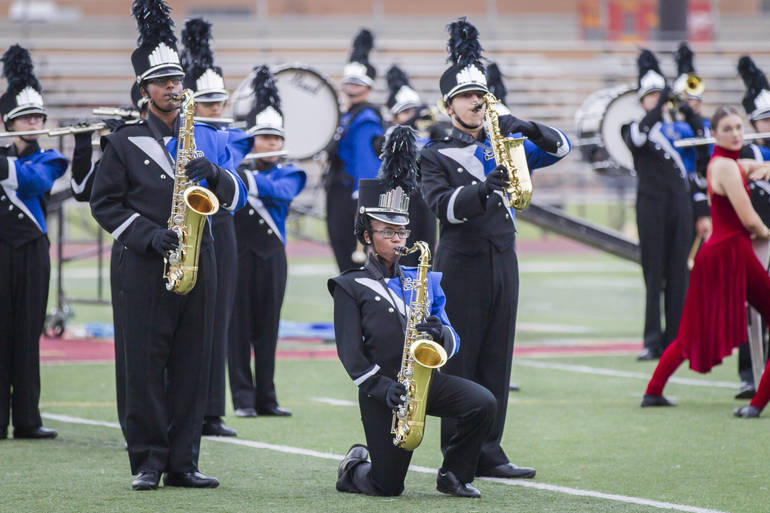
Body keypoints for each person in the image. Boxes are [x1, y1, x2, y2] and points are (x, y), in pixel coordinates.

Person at [90, 0, 246, 490]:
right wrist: (148, 234)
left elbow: (237, 195)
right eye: (162, 82)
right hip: (143, 265)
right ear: (144, 90)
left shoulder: (203, 135)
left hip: (202, 261)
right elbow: (105, 204)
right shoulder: (123, 142)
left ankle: (184, 461)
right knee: (143, 363)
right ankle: (148, 461)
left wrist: (215, 174)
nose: (173, 89)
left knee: (192, 362)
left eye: (177, 81)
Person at [420, 18, 570, 480]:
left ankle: (490, 451)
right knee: (462, 357)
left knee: (498, 355)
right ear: (449, 107)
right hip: (461, 262)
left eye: (481, 96)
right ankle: (459, 455)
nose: (476, 103)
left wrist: (526, 125)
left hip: (503, 258)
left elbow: (562, 148)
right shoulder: (435, 154)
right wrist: (484, 188)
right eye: (467, 97)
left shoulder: (507, 143)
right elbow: (443, 209)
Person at [331, 125, 496, 498]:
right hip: (383, 391)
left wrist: (440, 333)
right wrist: (381, 387)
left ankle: (454, 474)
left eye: (402, 232)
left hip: (424, 382)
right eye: (387, 232)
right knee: (387, 487)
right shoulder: (350, 285)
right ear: (366, 236)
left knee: (482, 402)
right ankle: (354, 467)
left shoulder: (424, 278)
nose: (397, 239)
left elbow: (453, 341)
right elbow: (350, 354)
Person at [641, 106, 770, 419]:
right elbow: (749, 220)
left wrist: (762, 166)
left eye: (739, 127)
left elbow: (755, 166)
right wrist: (767, 232)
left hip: (718, 255)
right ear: (714, 134)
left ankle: (653, 391)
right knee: (690, 332)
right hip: (731, 254)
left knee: (689, 333)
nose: (737, 133)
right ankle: (756, 404)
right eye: (728, 129)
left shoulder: (731, 163)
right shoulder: (725, 166)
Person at [180, 16, 252, 438]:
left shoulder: (226, 135)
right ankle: (195, 411)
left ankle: (211, 411)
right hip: (191, 227)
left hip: (221, 228)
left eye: (219, 102)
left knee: (217, 318)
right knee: (194, 321)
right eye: (208, 103)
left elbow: (235, 183)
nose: (216, 109)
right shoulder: (187, 131)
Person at [68, 83, 149, 442]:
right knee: (133, 347)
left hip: (180, 251)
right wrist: (88, 145)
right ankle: (135, 429)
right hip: (135, 253)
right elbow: (84, 191)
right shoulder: (123, 143)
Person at [621, 49, 711, 361]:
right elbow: (638, 139)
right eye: (652, 95)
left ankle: (676, 340)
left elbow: (701, 147)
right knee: (653, 273)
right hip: (651, 207)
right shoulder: (633, 126)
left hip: (680, 207)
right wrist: (659, 106)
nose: (658, 99)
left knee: (678, 274)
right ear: (643, 99)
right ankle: (651, 340)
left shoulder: (680, 128)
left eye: (661, 94)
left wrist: (685, 106)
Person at [228, 65, 306, 418]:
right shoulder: (235, 169)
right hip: (239, 256)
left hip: (272, 256)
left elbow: (281, 191)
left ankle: (267, 398)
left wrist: (243, 177)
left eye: (277, 140)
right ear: (252, 140)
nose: (271, 145)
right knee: (238, 328)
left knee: (267, 329)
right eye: (265, 139)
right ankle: (243, 399)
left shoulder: (291, 172)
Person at [0, 44, 67, 441]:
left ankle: (27, 418)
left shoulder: (51, 157)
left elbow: (33, 182)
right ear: (9, 120)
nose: (34, 121)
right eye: (25, 116)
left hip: (31, 254)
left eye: (38, 116)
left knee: (27, 333)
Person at [325, 28, 384, 272]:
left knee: (351, 265)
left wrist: (363, 208)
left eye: (357, 82)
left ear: (368, 87)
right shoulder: (347, 115)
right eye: (349, 81)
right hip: (339, 190)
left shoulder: (366, 118)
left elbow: (366, 166)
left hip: (349, 197)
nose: (351, 86)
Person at [735, 55, 770, 399]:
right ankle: (748, 374)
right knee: (753, 306)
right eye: (764, 120)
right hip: (756, 237)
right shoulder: (746, 151)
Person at [383, 64, 436, 267]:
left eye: (414, 110)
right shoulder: (389, 135)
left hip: (426, 202)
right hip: (400, 206)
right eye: (406, 112)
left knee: (427, 258)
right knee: (403, 259)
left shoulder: (430, 135)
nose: (413, 115)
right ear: (395, 117)